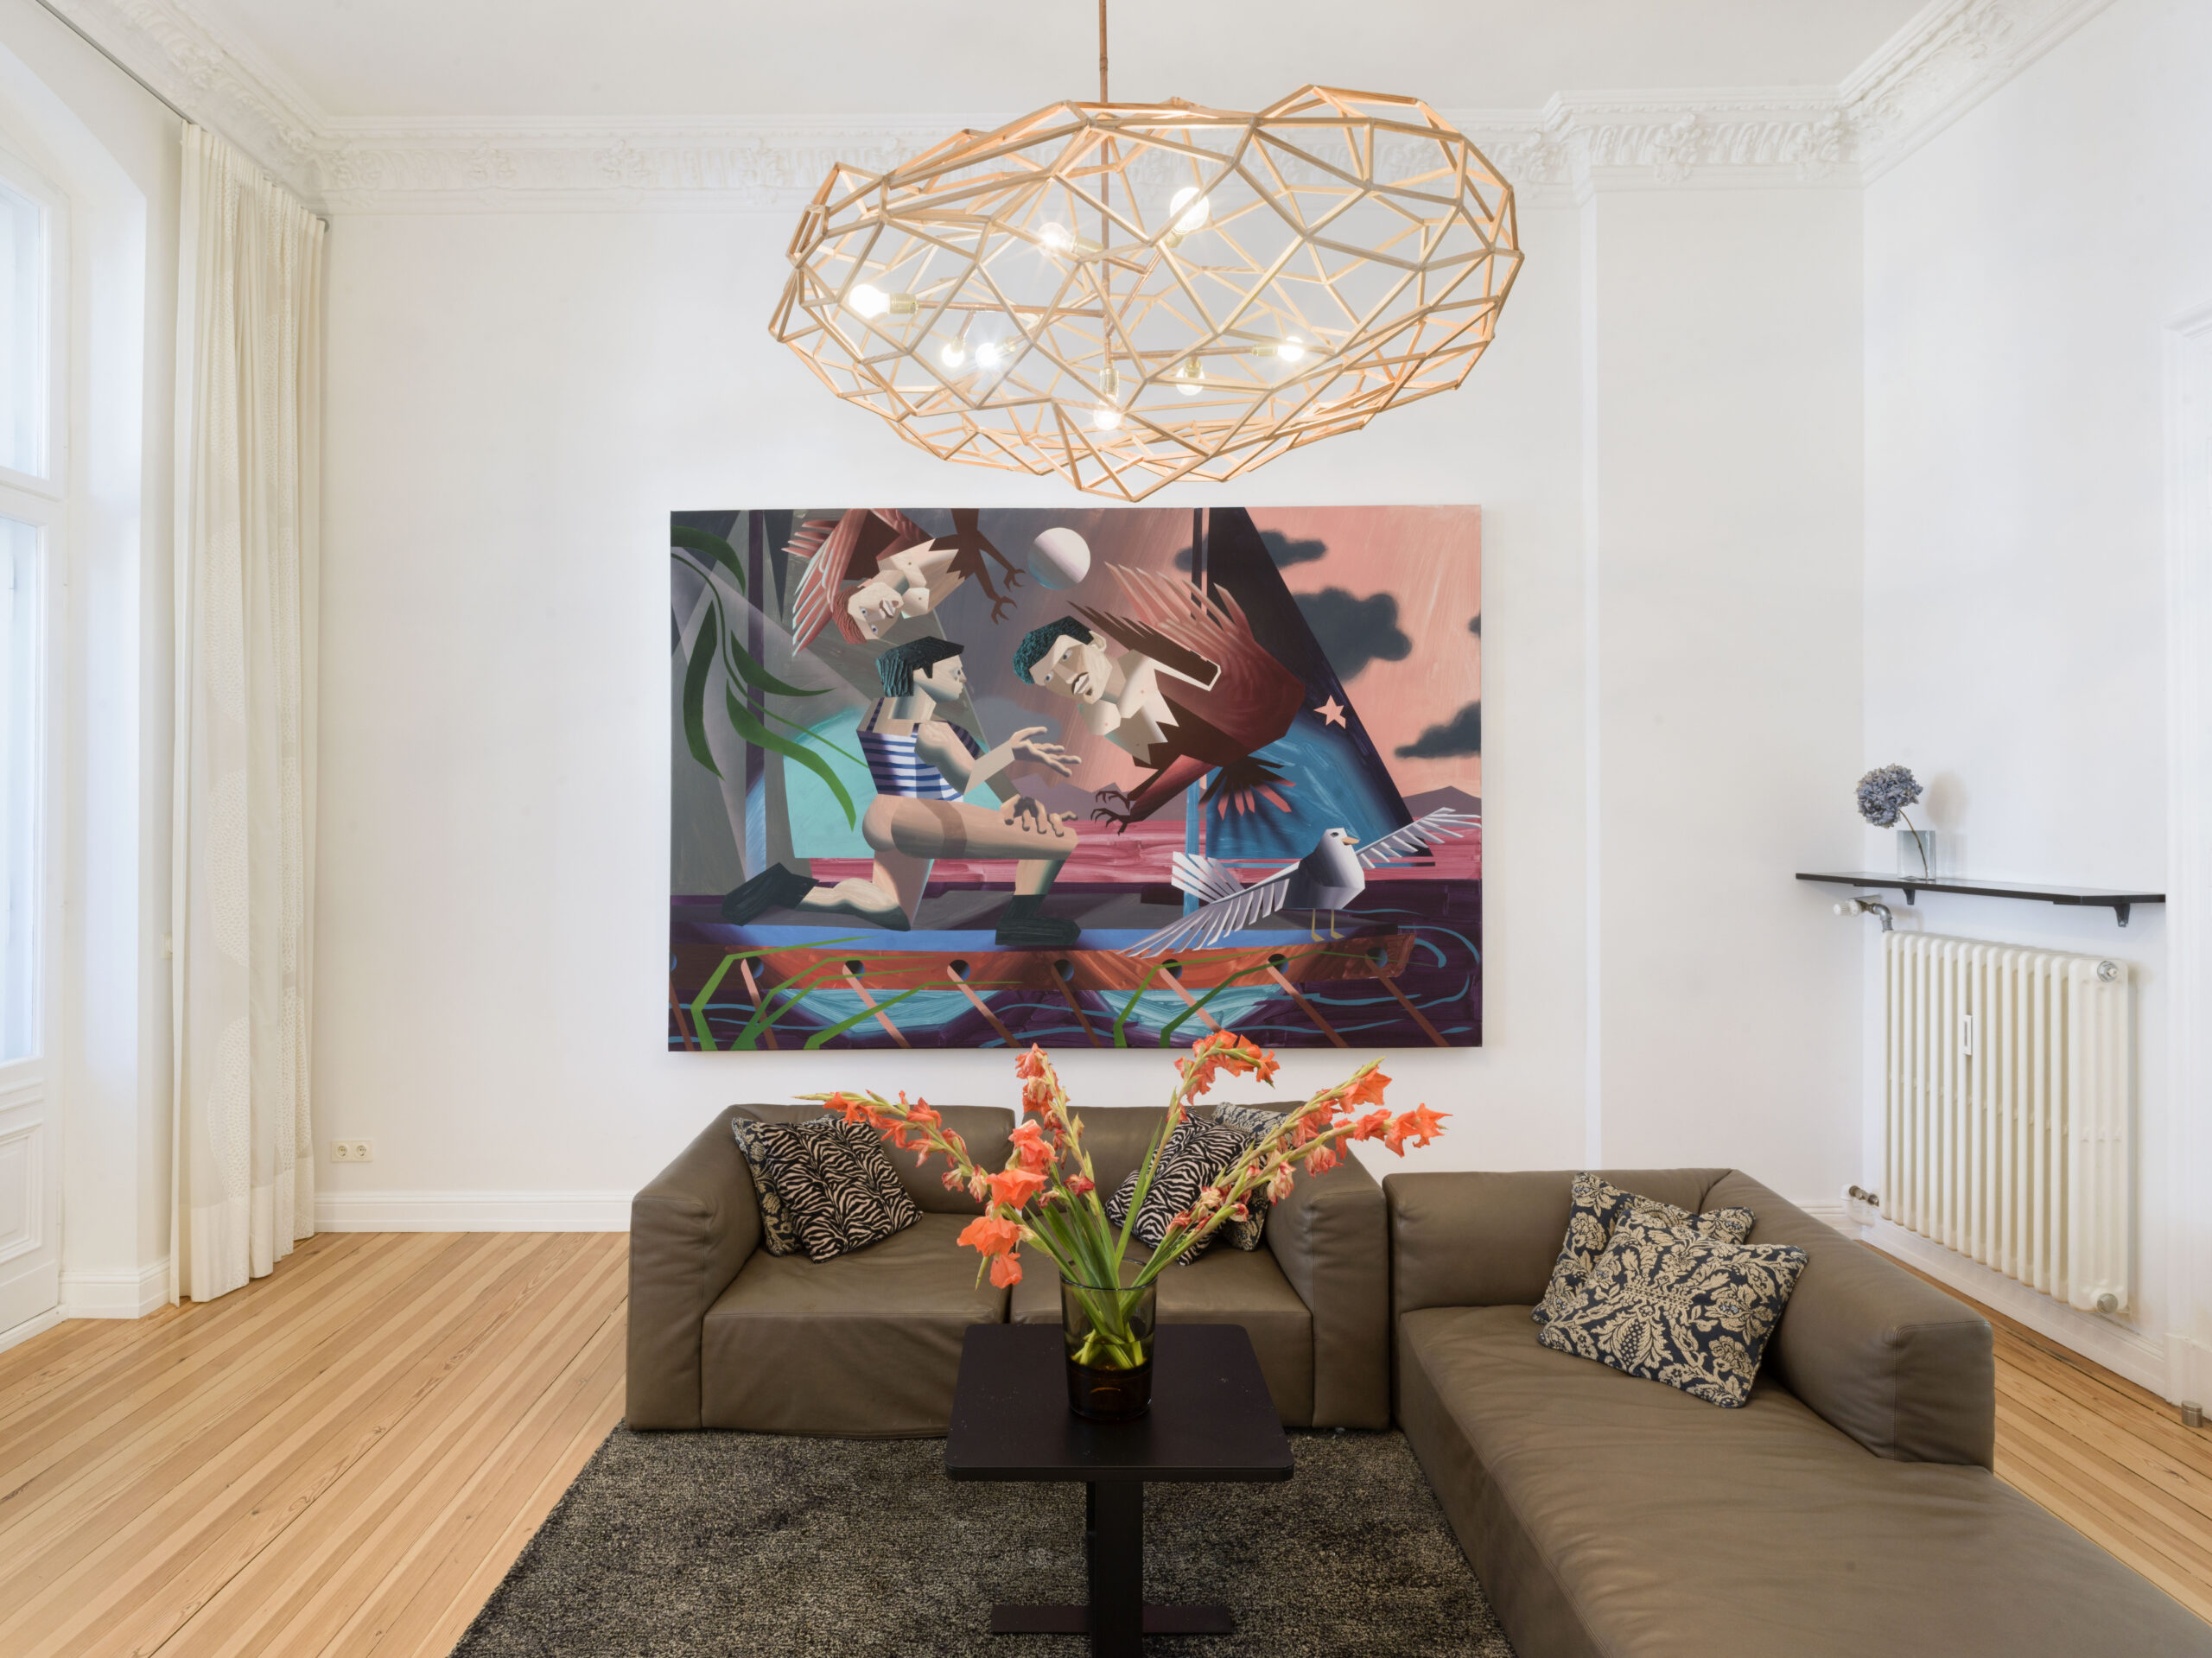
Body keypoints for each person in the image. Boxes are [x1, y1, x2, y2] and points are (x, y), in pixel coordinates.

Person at [720, 638, 1085, 947]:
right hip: (918, 817)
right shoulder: (934, 730)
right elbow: (966, 778)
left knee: (889, 909)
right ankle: (1018, 922)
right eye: (954, 671)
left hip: (884, 815)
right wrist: (1012, 750)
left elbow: (928, 764)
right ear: (921, 674)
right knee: (1059, 841)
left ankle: (785, 887)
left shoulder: (878, 714)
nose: (963, 678)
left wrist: (1011, 802)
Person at [1012, 566, 1304, 827]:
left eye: (1067, 656)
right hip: (1258, 781)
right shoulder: (1104, 719)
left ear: (1096, 641)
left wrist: (1139, 806)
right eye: (1048, 679)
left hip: (1293, 746)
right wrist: (1136, 799)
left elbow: (1213, 746)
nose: (1067, 678)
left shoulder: (1155, 663)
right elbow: (1188, 756)